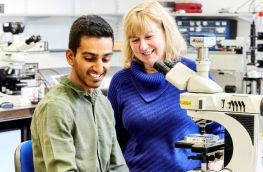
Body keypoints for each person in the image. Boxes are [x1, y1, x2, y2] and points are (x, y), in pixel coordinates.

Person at [107, 1, 224, 171]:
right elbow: (113, 141)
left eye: (148, 37)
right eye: (135, 39)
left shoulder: (195, 74)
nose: (143, 46)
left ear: (165, 32)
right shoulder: (120, 82)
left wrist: (214, 165)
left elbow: (218, 129)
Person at [30, 15, 129, 172]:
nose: (99, 68)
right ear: (70, 57)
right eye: (90, 58)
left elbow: (117, 166)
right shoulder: (55, 108)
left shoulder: (103, 103)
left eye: (105, 59)